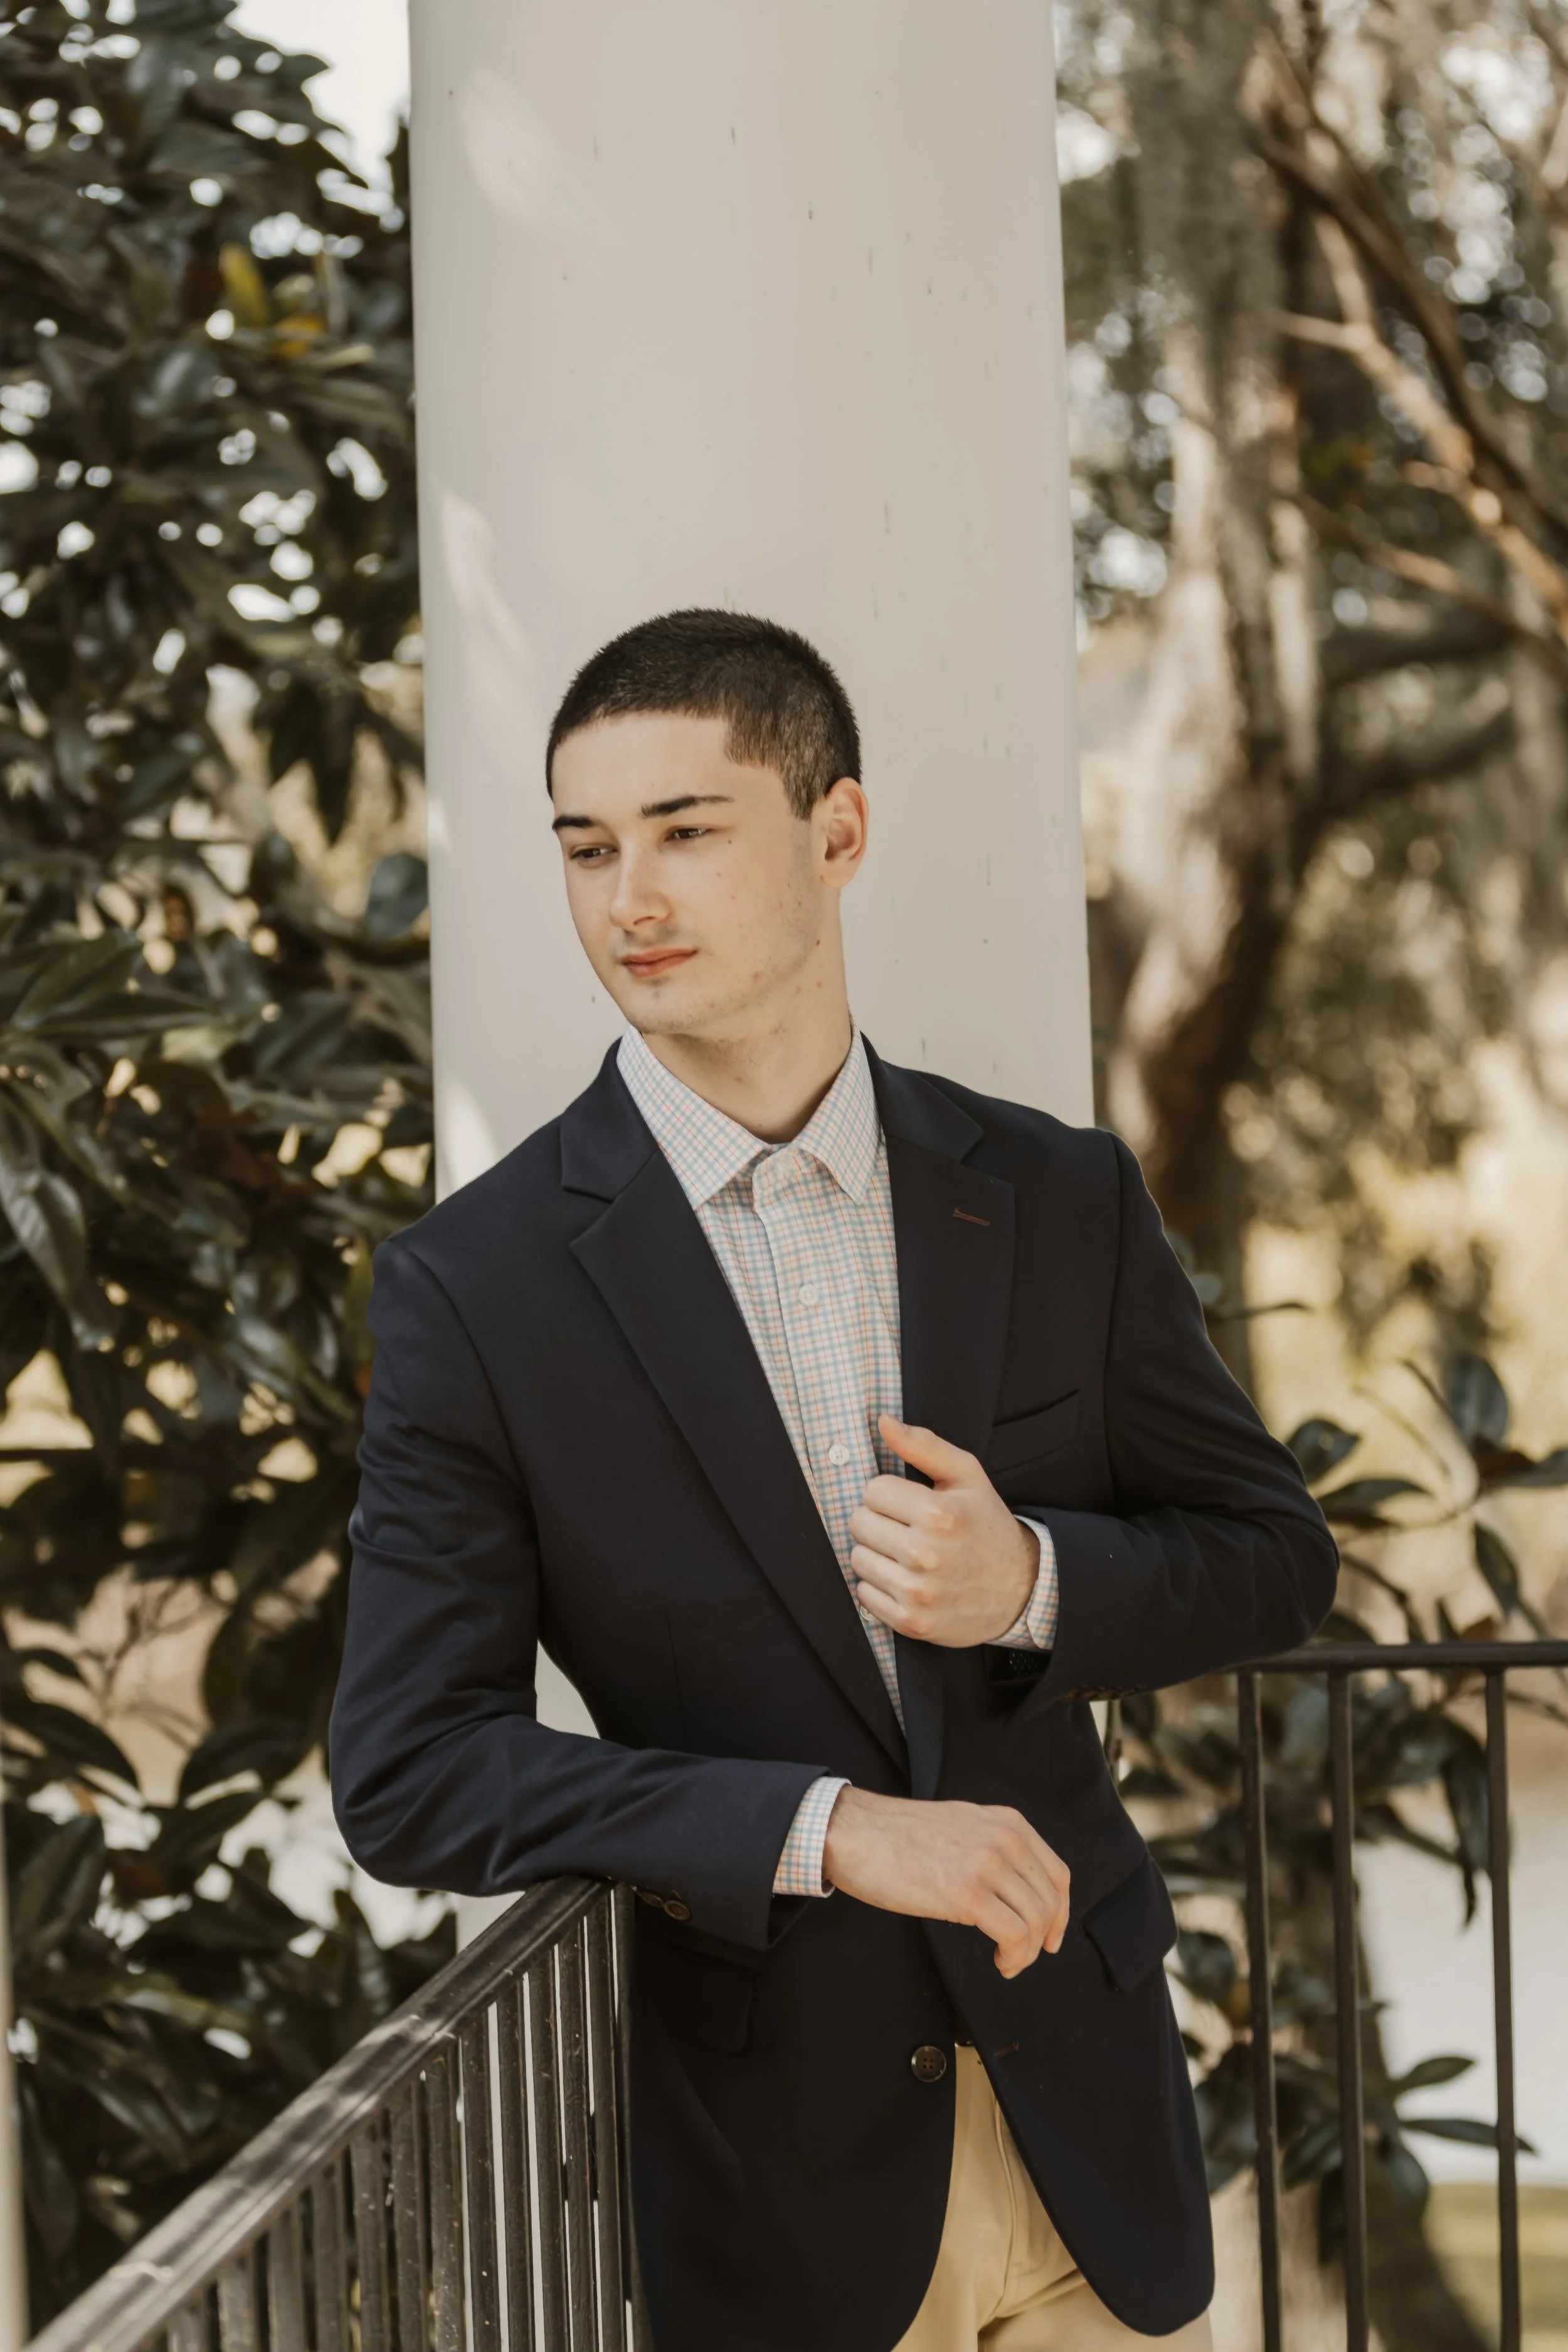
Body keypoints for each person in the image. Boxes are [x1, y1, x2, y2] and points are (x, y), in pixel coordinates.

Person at [331, 609, 1337, 2352]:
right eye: (588, 847)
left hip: (1086, 2133)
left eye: (686, 829)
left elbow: (1269, 1558)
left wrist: (1028, 1579)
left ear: (837, 831)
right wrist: (822, 1832)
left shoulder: (1057, 1195)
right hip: (778, 2186)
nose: (627, 897)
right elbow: (411, 1768)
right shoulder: (474, 1293)